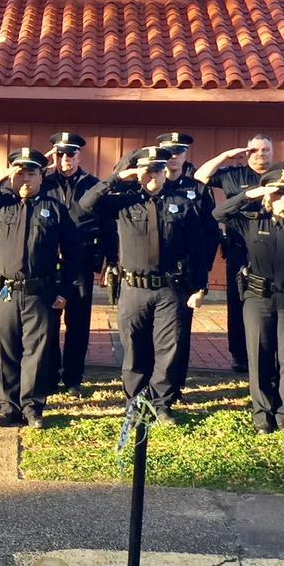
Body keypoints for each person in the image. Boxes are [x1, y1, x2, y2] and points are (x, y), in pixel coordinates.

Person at [80, 146, 208, 423]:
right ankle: (136, 402)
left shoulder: (183, 204)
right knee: (135, 346)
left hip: (170, 289)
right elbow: (86, 204)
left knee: (168, 348)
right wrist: (119, 177)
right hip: (133, 288)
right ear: (139, 173)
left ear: (165, 173)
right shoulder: (123, 202)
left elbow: (198, 248)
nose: (153, 175)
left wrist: (200, 287)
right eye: (148, 170)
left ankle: (162, 404)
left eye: (158, 170)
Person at [0, 148, 79, 428]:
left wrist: (65, 291)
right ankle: (8, 406)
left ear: (41, 176)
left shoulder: (55, 208)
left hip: (40, 293)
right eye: (19, 172)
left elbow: (73, 252)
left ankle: (33, 406)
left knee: (36, 352)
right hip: (2, 292)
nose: (25, 179)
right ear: (10, 173)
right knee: (3, 350)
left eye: (31, 173)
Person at [213, 162, 284, 433]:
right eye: (276, 192)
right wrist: (251, 194)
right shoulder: (251, 220)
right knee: (259, 355)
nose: (282, 198)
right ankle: (262, 414)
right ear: (266, 194)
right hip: (257, 298)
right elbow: (219, 212)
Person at [194, 135, 274, 373]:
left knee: (270, 303)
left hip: (271, 249)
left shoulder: (279, 175)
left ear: (272, 152)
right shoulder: (232, 174)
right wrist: (226, 155)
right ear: (247, 152)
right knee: (238, 302)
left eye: (266, 150)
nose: (261, 154)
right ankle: (239, 354)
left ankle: (268, 352)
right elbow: (200, 176)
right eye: (256, 150)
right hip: (240, 249)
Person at [157, 132, 219, 404]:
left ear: (185, 155)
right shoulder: (150, 184)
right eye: (168, 152)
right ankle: (149, 385)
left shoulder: (198, 189)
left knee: (178, 336)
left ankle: (175, 386)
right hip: (150, 273)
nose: (173, 157)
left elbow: (209, 233)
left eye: (178, 152)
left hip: (183, 274)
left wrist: (201, 277)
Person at [41, 132, 102, 397]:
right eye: (60, 154)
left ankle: (73, 377)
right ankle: (50, 374)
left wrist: (109, 259)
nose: (65, 159)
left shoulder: (93, 184)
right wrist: (41, 164)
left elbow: (107, 224)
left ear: (79, 155)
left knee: (78, 323)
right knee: (49, 322)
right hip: (49, 262)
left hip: (81, 261)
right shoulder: (43, 182)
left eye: (71, 154)